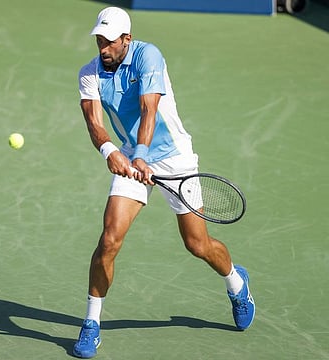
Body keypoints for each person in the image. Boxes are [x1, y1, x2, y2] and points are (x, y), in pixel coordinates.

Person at [72, 6, 255, 359]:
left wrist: (142, 155)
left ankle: (236, 282)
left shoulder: (148, 55)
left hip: (174, 157)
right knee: (109, 239)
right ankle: (91, 323)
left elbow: (149, 110)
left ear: (127, 39)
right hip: (129, 152)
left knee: (197, 244)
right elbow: (95, 123)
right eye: (99, 41)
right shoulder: (89, 73)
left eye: (110, 42)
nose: (103, 49)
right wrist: (111, 151)